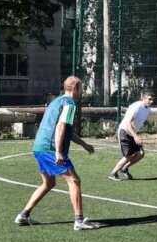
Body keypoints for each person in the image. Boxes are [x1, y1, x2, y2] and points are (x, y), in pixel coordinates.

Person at [14, 76, 98, 231]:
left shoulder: (56, 102)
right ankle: (79, 221)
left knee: (49, 183)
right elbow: (60, 127)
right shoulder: (70, 104)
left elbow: (67, 131)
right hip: (51, 149)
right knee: (74, 180)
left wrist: (84, 145)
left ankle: (23, 215)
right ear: (75, 88)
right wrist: (59, 152)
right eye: (81, 88)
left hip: (39, 147)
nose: (82, 91)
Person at [108, 91, 154, 181]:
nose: (151, 101)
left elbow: (135, 123)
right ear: (143, 98)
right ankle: (113, 174)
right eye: (149, 99)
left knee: (140, 153)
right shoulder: (136, 107)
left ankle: (124, 168)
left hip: (132, 133)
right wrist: (135, 136)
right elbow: (128, 123)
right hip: (124, 131)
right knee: (128, 156)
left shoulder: (148, 109)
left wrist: (136, 135)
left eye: (152, 99)